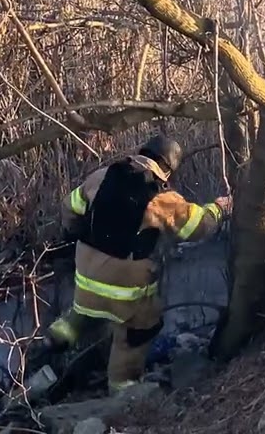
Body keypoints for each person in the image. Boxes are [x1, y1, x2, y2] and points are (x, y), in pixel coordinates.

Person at [46, 134, 232, 394]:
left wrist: (75, 235)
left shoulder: (101, 176)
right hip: (124, 287)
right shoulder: (160, 197)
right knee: (140, 329)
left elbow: (70, 206)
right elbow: (197, 227)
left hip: (85, 272)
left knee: (87, 304)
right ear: (168, 168)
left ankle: (62, 332)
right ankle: (123, 388)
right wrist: (219, 209)